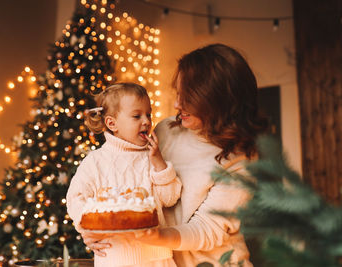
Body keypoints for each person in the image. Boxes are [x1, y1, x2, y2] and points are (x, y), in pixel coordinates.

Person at [83, 44, 268, 267]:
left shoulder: (242, 159)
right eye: (178, 93)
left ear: (216, 100)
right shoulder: (165, 129)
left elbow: (208, 229)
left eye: (188, 97)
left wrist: (151, 236)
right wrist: (95, 229)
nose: (176, 104)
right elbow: (128, 180)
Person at [66, 83, 182, 267]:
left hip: (157, 258)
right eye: (137, 116)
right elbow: (75, 198)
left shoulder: (152, 157)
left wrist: (159, 163)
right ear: (112, 123)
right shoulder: (95, 162)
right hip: (113, 258)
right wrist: (89, 229)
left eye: (148, 114)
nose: (146, 121)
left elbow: (169, 198)